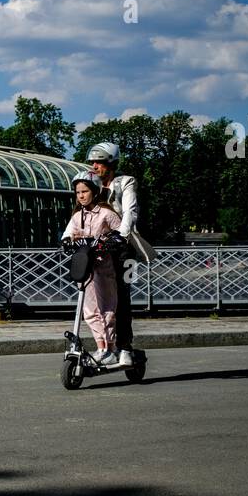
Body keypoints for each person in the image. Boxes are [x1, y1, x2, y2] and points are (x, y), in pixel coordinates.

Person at [87, 141, 156, 369]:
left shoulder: (125, 182)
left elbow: (130, 212)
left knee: (122, 298)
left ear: (112, 164)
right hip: (99, 248)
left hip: (123, 249)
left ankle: (125, 347)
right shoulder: (90, 185)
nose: (94, 166)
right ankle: (105, 347)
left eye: (100, 162)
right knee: (98, 299)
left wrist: (121, 235)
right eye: (92, 162)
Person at [61, 172, 123, 366]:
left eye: (85, 191)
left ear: (95, 191)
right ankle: (101, 347)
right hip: (85, 267)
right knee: (89, 310)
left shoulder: (106, 213)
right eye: (78, 192)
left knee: (107, 309)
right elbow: (66, 236)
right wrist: (67, 242)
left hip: (103, 267)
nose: (80, 196)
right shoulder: (77, 216)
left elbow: (122, 235)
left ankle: (111, 349)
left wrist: (110, 240)